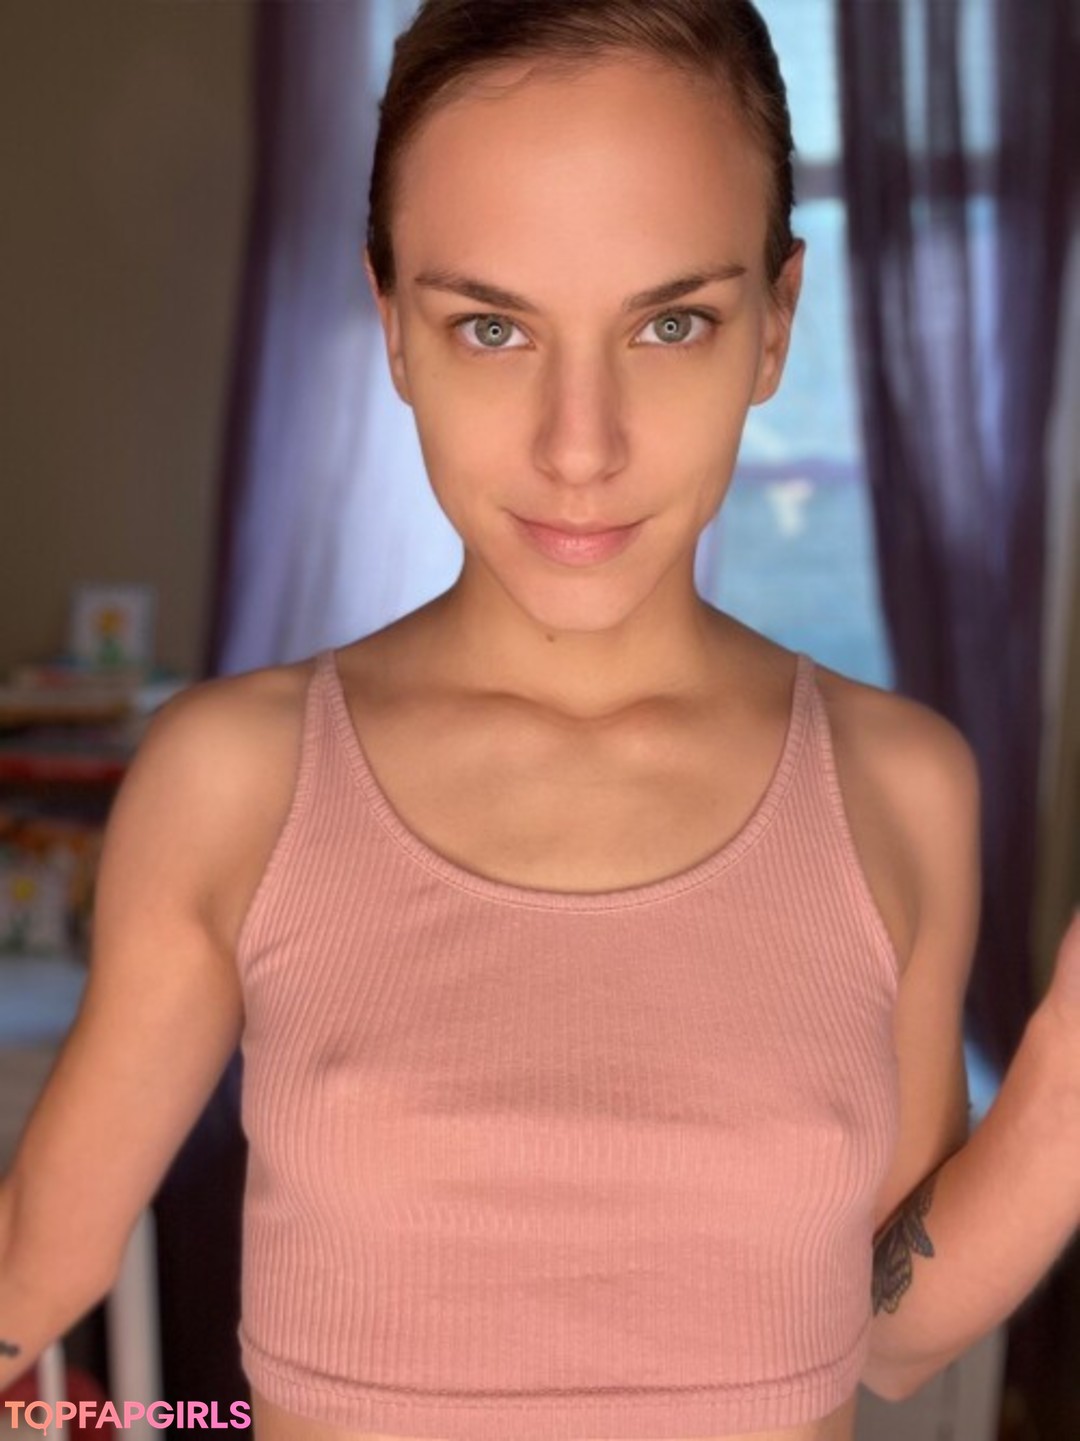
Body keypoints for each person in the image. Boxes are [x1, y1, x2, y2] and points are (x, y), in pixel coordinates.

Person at [3, 2, 1079, 1440]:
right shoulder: (237, 778)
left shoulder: (899, 784)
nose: (582, 446)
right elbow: (37, 1271)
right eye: (492, 326)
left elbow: (883, 1333)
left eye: (672, 322)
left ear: (775, 324)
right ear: (395, 328)